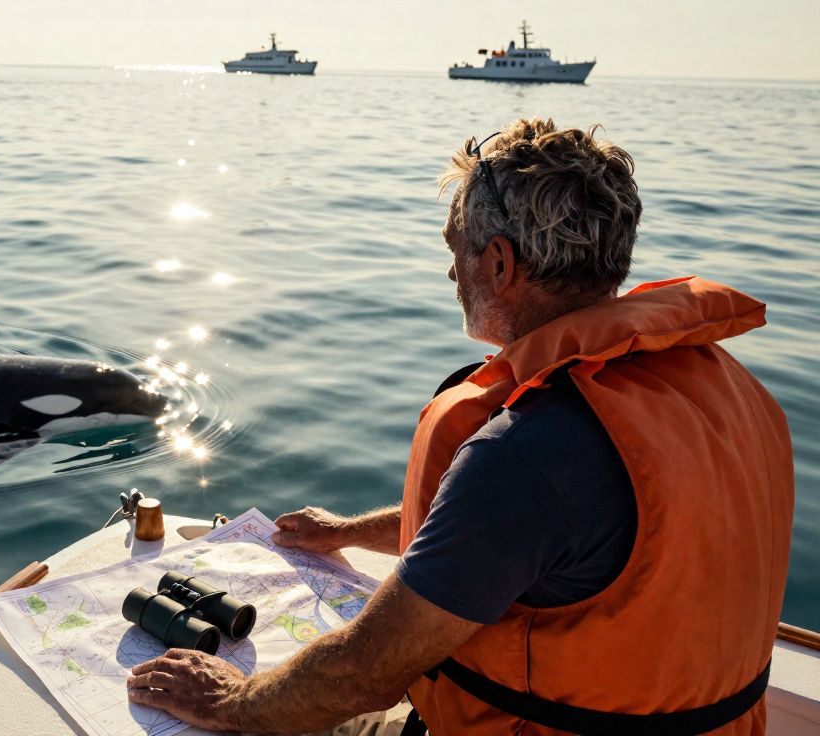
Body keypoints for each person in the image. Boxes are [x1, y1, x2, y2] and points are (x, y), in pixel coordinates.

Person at [126, 118, 793, 735]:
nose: (451, 271)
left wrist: (227, 700)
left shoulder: (528, 453)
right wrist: (352, 532)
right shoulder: (727, 391)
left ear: (499, 265)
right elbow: (529, 540)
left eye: (458, 249)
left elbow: (362, 675)